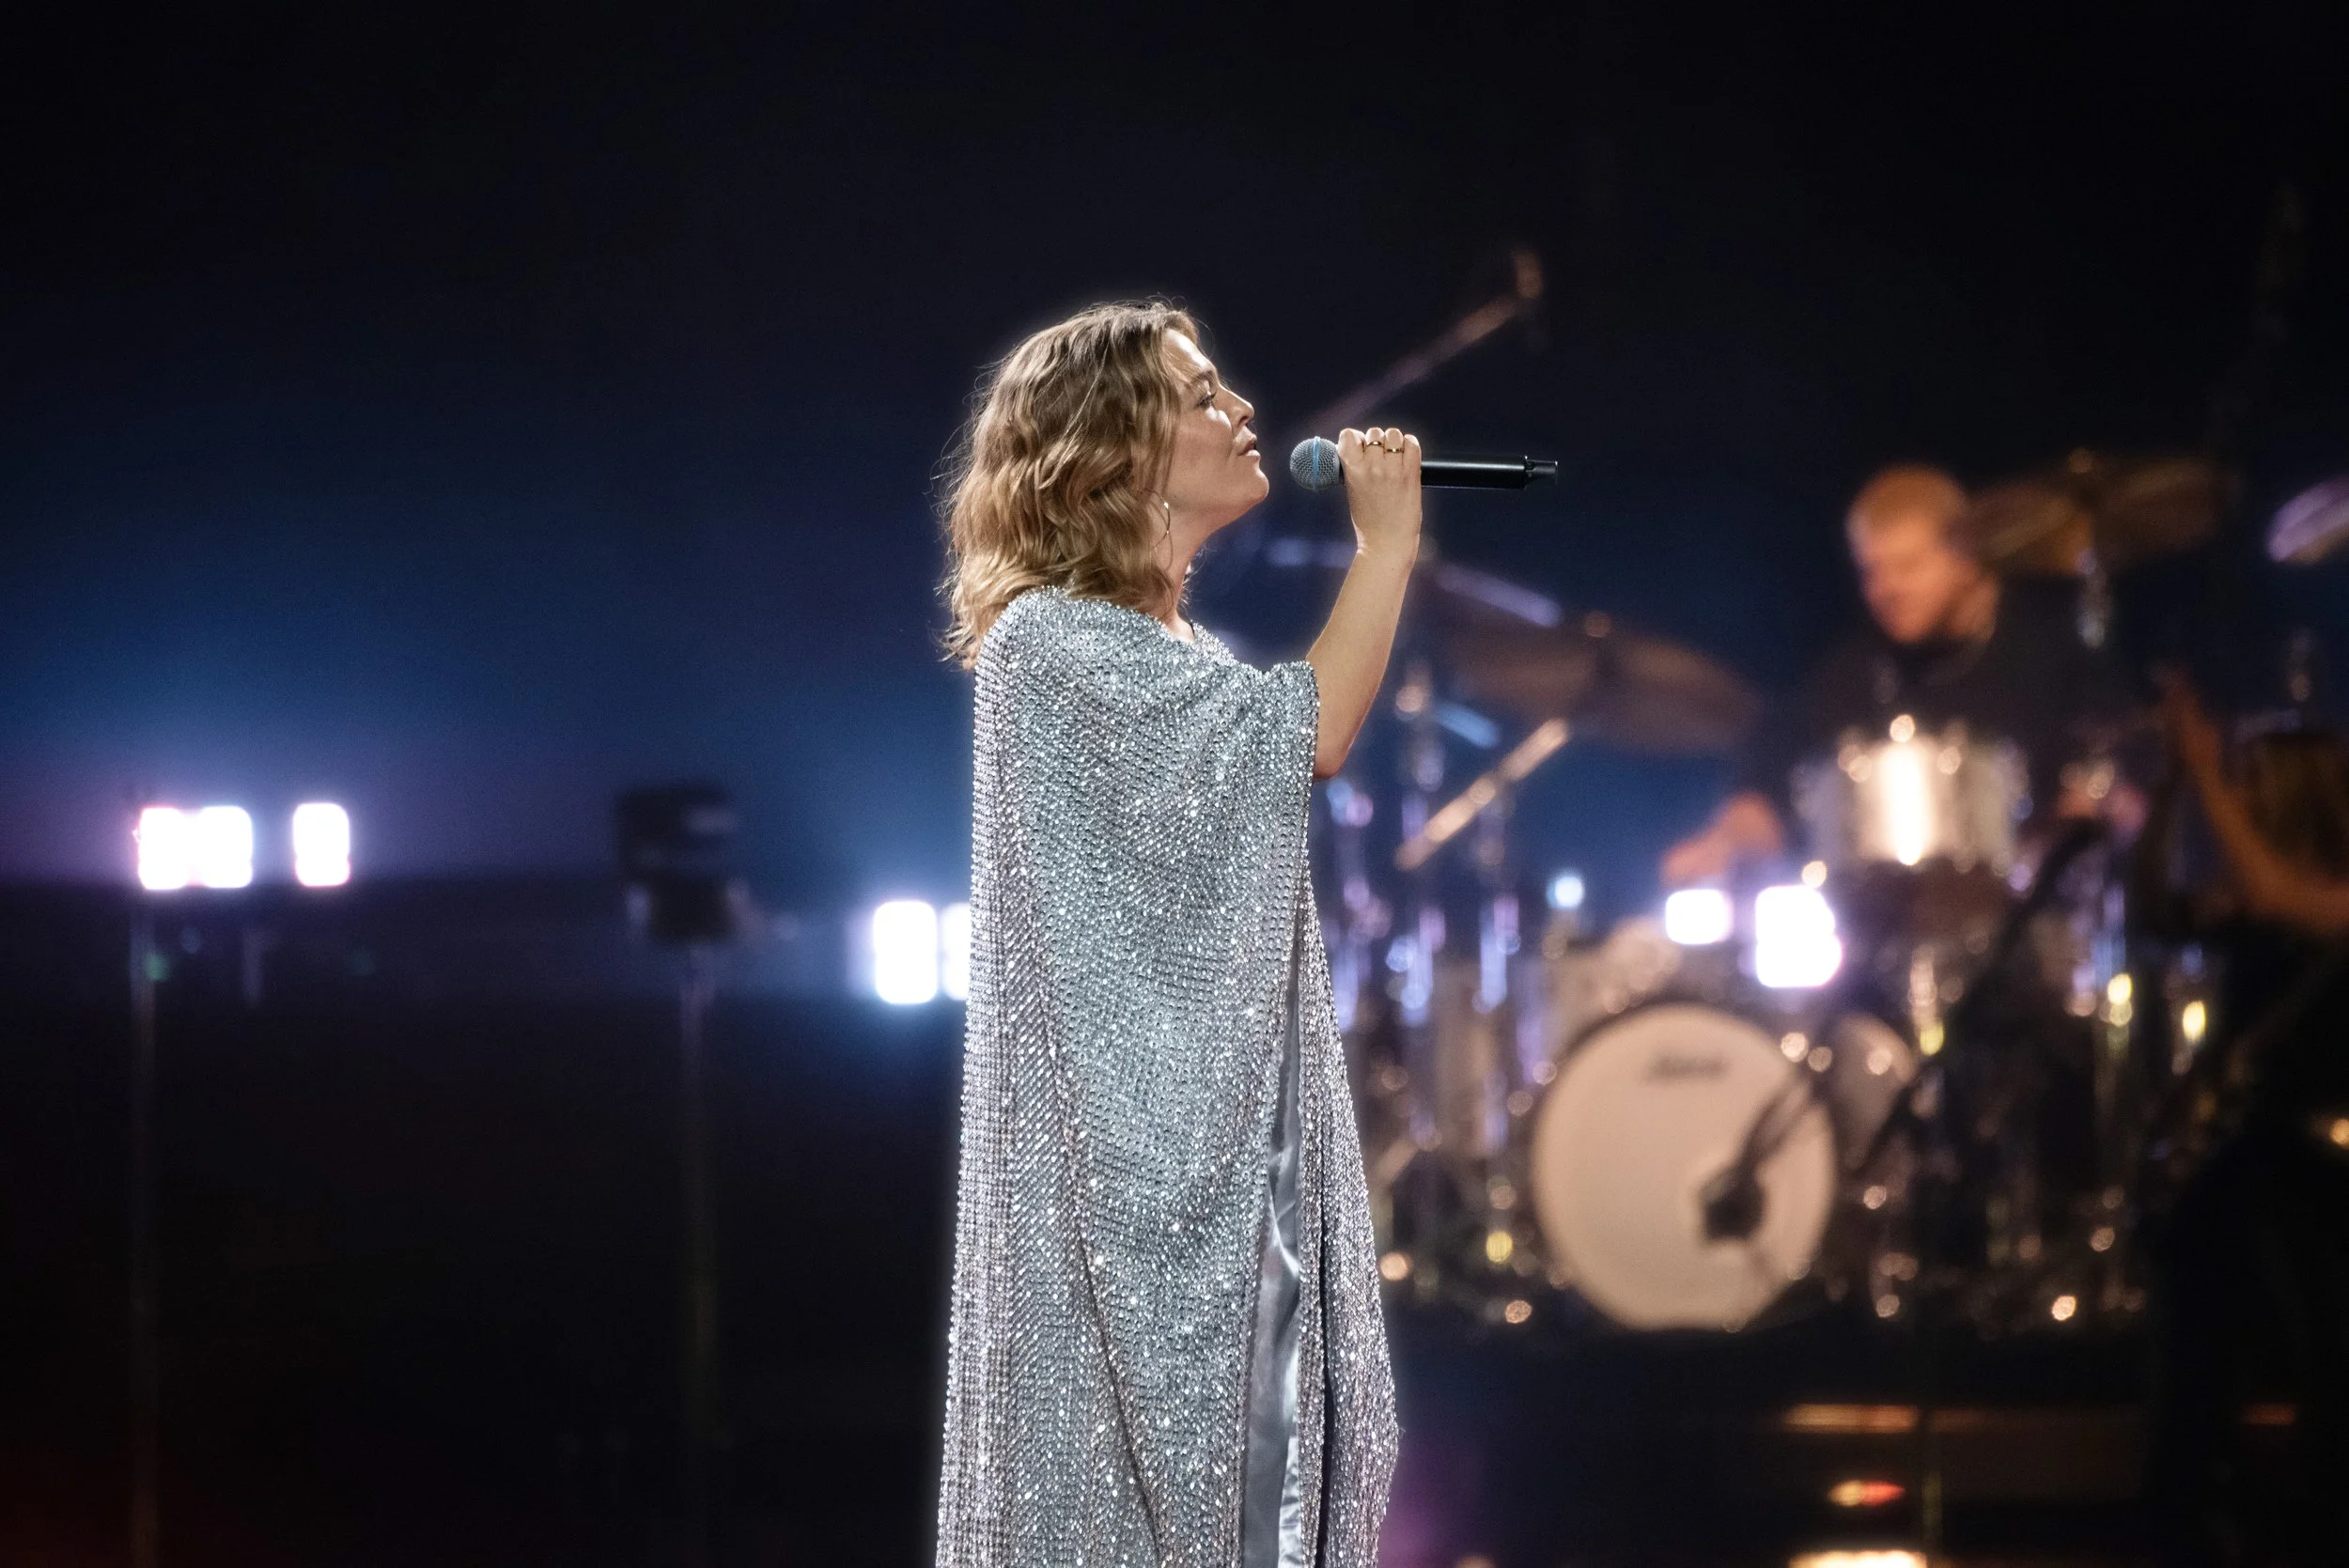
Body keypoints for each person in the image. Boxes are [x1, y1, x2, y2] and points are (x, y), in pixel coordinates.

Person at [934, 303, 1409, 1568]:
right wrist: (1387, 550)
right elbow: (1302, 737)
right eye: (1202, 396)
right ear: (1110, 452)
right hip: (1115, 1212)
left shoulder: (1170, 649)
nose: (1242, 409)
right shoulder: (1048, 645)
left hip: (1211, 1185)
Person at [1661, 464, 2136, 885]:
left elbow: (2114, 786)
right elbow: (1768, 786)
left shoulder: (2052, 654)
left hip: (2031, 924)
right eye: (1871, 571)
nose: (1885, 590)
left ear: (1968, 560)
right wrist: (1726, 841)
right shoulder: (1849, 673)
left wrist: (2084, 821)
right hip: (1875, 948)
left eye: (1907, 566)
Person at [2147, 676, 2349, 1566]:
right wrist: (2168, 795)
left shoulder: (2336, 902)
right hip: (2250, 1159)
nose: (2242, 807)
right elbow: (2155, 910)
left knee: (2326, 1361)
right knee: (2195, 1339)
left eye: (2253, 790)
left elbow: (2272, 891)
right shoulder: (2247, 903)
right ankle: (2184, 1516)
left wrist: (2204, 772)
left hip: (2322, 1170)